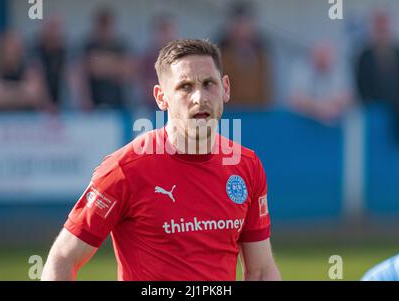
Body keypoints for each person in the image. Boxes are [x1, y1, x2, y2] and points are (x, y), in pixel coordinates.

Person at [41, 39, 281, 281]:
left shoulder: (246, 166)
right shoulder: (124, 169)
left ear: (225, 88)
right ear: (161, 97)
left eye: (209, 84)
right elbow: (63, 257)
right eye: (185, 87)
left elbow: (261, 271)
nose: (200, 97)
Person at [355, 9, 399, 143]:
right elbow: (360, 80)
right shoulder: (365, 54)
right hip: (373, 103)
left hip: (398, 103)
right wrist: (366, 101)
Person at [289, 41, 352, 124]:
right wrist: (320, 108)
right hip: (302, 123)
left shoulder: (339, 70)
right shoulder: (300, 69)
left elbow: (347, 98)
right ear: (312, 57)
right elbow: (295, 99)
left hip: (332, 126)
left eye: (326, 57)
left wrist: (328, 106)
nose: (323, 60)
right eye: (320, 56)